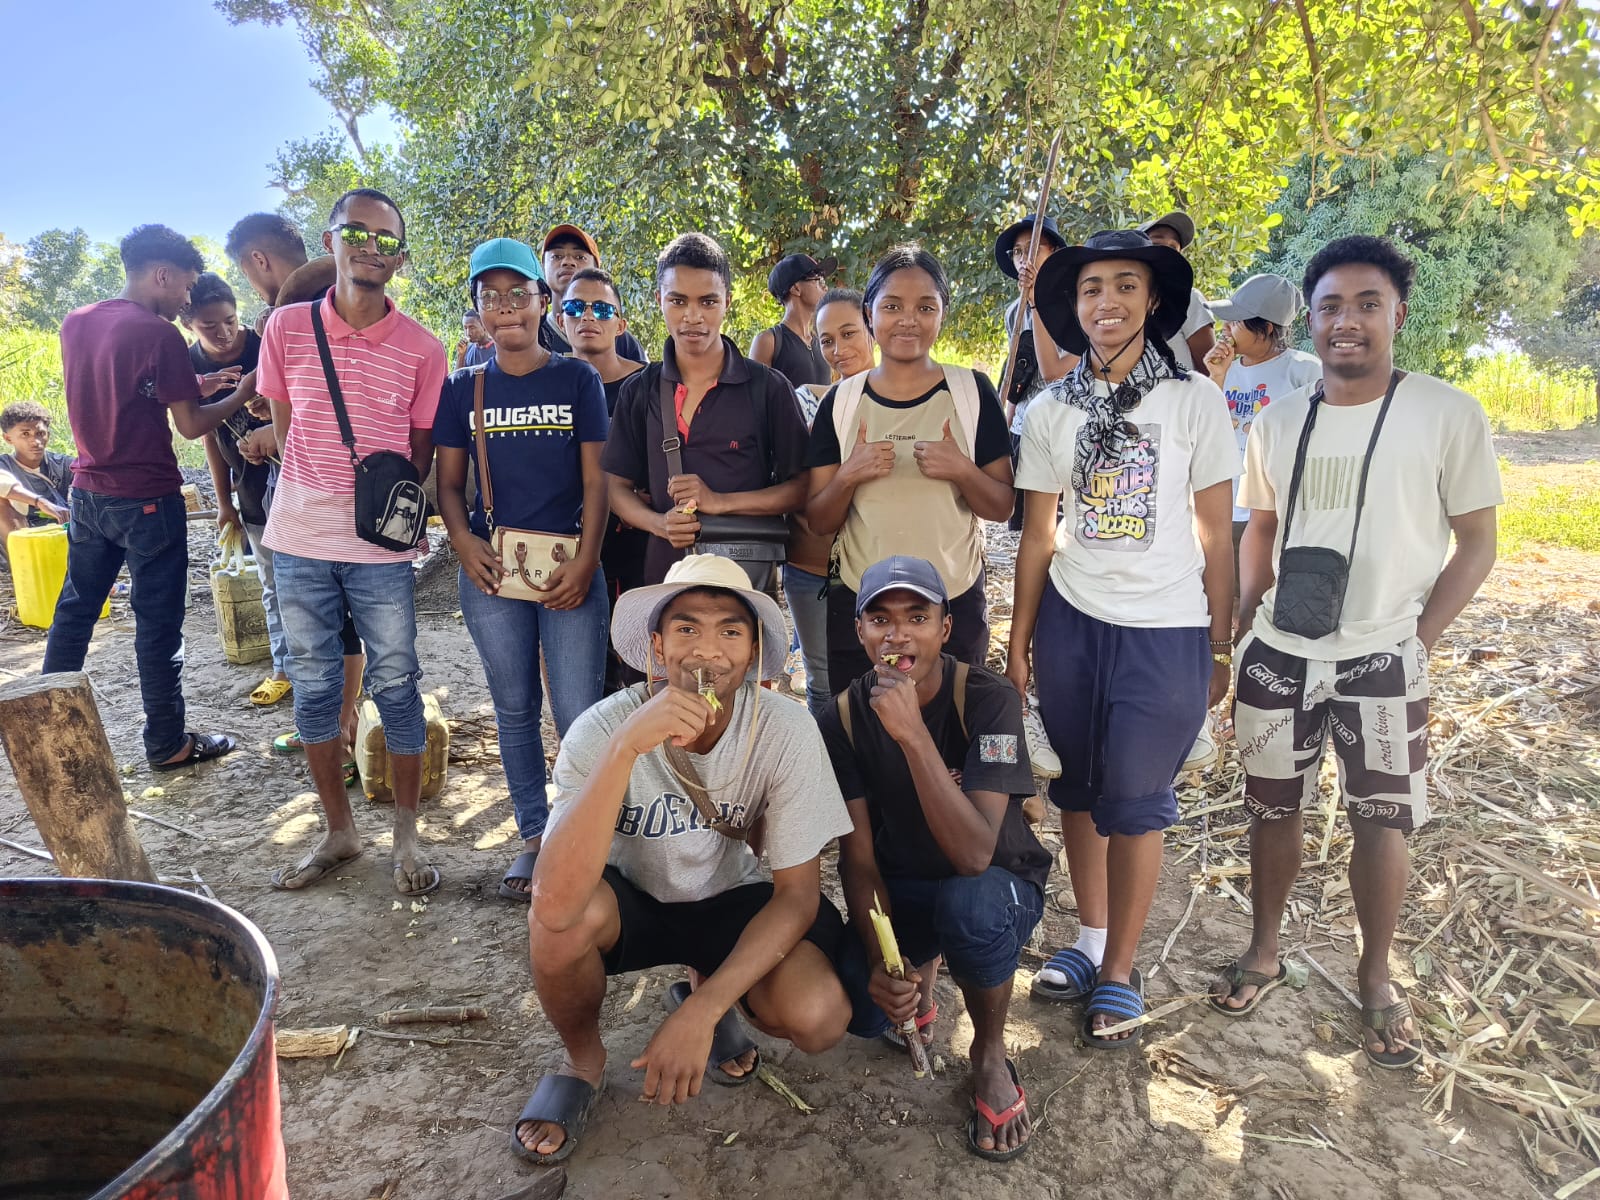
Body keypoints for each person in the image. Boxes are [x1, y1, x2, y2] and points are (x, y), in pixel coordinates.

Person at [1211, 236, 1501, 1070]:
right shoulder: (1277, 420)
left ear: (1397, 314)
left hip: (1384, 656)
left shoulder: (1447, 413)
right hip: (1279, 653)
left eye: (1367, 304)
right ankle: (1265, 950)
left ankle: (1376, 976)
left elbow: (1477, 542)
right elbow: (1259, 528)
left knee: (1382, 820)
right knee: (1272, 809)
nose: (1348, 321)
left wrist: (1418, 639)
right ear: (1310, 319)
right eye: (1331, 306)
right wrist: (1240, 629)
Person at [514, 554, 863, 1164]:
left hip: (730, 899)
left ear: (752, 653)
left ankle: (705, 992)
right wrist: (625, 749)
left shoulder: (784, 730)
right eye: (686, 628)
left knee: (818, 1016)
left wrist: (704, 1010)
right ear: (657, 645)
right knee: (557, 925)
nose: (707, 650)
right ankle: (583, 1061)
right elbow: (554, 900)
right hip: (629, 901)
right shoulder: (601, 728)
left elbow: (798, 897)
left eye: (730, 630)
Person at [1007, 229, 1237, 1045]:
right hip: (1073, 622)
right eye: (1091, 288)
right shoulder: (1050, 409)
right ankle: (1092, 937)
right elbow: (1039, 536)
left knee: (1137, 803)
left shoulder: (1194, 400)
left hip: (1165, 629)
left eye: (1125, 286)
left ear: (1153, 300)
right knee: (1076, 787)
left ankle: (1122, 969)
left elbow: (1217, 532)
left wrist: (1219, 643)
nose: (1107, 302)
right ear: (1073, 306)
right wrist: (1019, 642)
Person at [823, 556, 1048, 1161]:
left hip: (996, 883)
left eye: (917, 618)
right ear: (859, 631)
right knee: (863, 1009)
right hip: (906, 884)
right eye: (880, 620)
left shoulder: (988, 699)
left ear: (945, 628)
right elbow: (859, 860)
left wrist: (913, 735)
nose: (898, 636)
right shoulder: (840, 718)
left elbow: (975, 854)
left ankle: (990, 1053)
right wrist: (883, 959)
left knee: (969, 906)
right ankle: (918, 971)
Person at [256, 188, 447, 898]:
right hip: (298, 539)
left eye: (387, 239)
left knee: (396, 683)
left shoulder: (425, 348)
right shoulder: (286, 328)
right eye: (357, 232)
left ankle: (406, 833)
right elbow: (285, 427)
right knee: (313, 687)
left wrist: (375, 507)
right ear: (330, 240)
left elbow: (420, 453)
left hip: (379, 550)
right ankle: (339, 832)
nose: (372, 247)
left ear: (401, 257)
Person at [434, 238, 611, 901]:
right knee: (513, 709)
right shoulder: (464, 387)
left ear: (543, 302)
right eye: (491, 295)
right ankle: (535, 837)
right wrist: (463, 542)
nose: (505, 306)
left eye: (518, 293)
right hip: (492, 573)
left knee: (578, 714)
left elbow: (597, 482)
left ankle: (583, 837)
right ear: (477, 308)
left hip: (570, 571)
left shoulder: (577, 380)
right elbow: (448, 485)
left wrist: (587, 560)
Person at [42, 225, 245, 769]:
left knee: (75, 612)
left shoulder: (77, 321)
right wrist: (244, 391)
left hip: (88, 493)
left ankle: (48, 733)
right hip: (148, 500)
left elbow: (122, 390)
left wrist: (195, 385)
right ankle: (168, 743)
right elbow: (191, 427)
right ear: (162, 274)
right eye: (186, 286)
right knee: (157, 624)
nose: (186, 300)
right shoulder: (160, 335)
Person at [804, 245, 1014, 692]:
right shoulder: (840, 404)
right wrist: (849, 474)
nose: (908, 320)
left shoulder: (971, 393)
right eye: (892, 306)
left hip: (952, 603)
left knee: (953, 723)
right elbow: (819, 520)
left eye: (925, 307)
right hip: (862, 608)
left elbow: (1001, 506)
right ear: (869, 314)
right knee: (864, 724)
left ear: (942, 314)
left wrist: (962, 469)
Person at [602, 233, 810, 588]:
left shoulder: (768, 387)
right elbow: (615, 488)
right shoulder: (639, 390)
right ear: (659, 300)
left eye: (708, 301)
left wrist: (719, 502)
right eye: (678, 301)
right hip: (664, 579)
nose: (693, 317)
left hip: (744, 581)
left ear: (727, 301)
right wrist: (659, 524)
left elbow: (801, 488)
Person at [1200, 273, 1322, 607]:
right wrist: (1216, 377)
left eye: (1236, 322)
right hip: (1224, 506)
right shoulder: (1223, 369)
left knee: (1264, 602)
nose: (1226, 329)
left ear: (1267, 328)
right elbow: (1204, 432)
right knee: (1221, 600)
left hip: (1273, 511)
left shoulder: (1305, 372)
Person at [557, 267, 649, 692]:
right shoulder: (548, 383)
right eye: (576, 307)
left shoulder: (649, 384)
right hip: (564, 545)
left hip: (636, 546)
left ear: (620, 324)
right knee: (576, 672)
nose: (588, 316)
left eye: (602, 309)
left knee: (639, 665)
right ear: (560, 319)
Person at [538, 224, 647, 362]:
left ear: (597, 270)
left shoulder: (622, 341)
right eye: (557, 256)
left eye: (580, 257)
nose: (568, 262)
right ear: (543, 267)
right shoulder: (535, 338)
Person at [1140, 212, 1216, 369]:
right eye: (1156, 244)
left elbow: (1210, 371)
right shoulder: (1118, 302)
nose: (1166, 252)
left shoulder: (1189, 299)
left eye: (1173, 248)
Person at [0, 401, 72, 565]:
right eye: (25, 434)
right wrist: (40, 501)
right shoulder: (4, 464)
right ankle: (25, 564)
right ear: (8, 438)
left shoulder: (61, 464)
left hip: (57, 537)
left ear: (48, 435)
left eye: (40, 433)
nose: (35, 441)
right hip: (18, 543)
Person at [750, 252, 836, 389]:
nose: (825, 287)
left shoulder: (821, 342)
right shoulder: (768, 341)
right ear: (796, 289)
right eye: (818, 280)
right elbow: (754, 397)